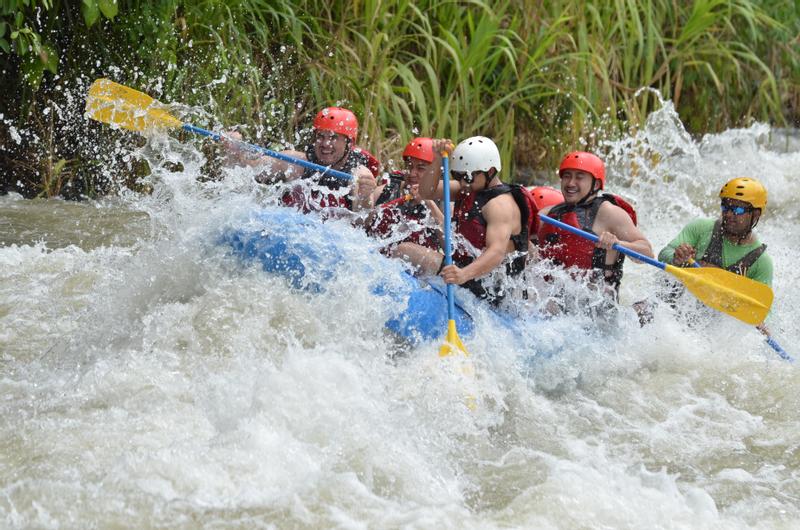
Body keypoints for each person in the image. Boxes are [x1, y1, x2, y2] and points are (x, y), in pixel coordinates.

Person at [394, 136, 534, 305]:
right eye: (457, 175)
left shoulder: (500, 205)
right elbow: (426, 192)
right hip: (469, 271)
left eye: (466, 177)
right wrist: (437, 159)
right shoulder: (469, 187)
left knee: (405, 251)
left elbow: (496, 252)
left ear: (489, 172)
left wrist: (463, 274)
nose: (461, 182)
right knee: (404, 250)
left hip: (491, 286)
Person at [536, 151, 653, 295]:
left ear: (596, 184)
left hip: (598, 308)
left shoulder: (610, 213)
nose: (571, 183)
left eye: (579, 177)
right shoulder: (547, 214)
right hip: (553, 305)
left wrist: (618, 244)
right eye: (567, 176)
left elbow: (647, 254)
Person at [224, 107, 379, 213]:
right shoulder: (295, 162)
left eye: (333, 138)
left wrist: (365, 198)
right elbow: (247, 171)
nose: (325, 144)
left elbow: (361, 223)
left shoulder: (359, 174)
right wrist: (234, 150)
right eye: (320, 136)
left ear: (349, 143)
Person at [658, 177, 773, 286]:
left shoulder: (761, 262)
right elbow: (663, 254)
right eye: (725, 207)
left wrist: (721, 278)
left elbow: (760, 304)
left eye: (737, 209)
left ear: (756, 214)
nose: (728, 214)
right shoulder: (701, 228)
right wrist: (676, 258)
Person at [365, 137, 444, 255]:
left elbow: (452, 246)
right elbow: (360, 223)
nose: (412, 173)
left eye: (420, 168)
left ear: (435, 173)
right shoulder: (386, 191)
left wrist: (428, 202)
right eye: (409, 166)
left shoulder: (444, 201)